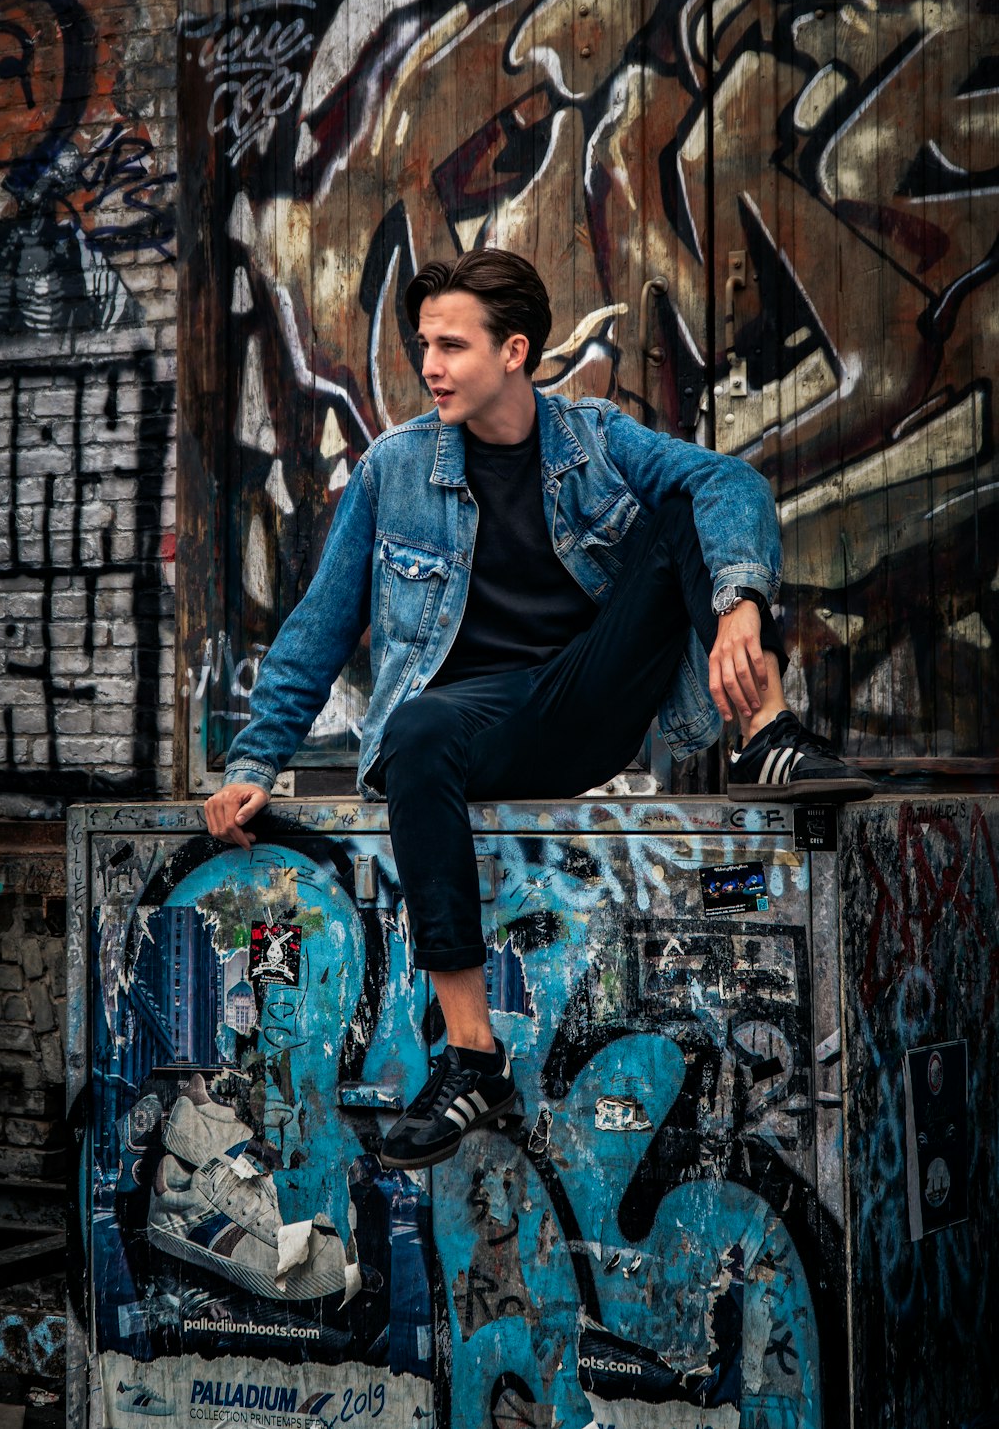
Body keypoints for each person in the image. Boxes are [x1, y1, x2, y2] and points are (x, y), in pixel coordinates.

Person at [206, 250, 871, 1168]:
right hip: (476, 725)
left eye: (451, 345)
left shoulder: (592, 440)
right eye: (423, 344)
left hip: (587, 695)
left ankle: (768, 736)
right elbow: (316, 631)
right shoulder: (394, 472)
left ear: (514, 350)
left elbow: (733, 489)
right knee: (416, 729)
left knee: (694, 491)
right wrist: (251, 766)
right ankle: (473, 1055)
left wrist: (739, 609)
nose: (430, 365)